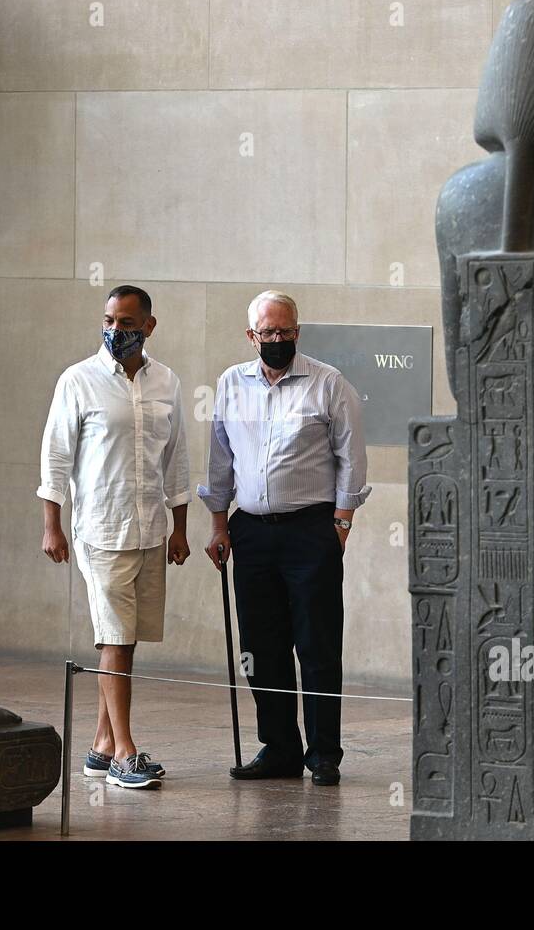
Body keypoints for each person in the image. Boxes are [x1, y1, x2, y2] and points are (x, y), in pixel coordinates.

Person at [199, 290, 370, 786]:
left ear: (298, 331)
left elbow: (351, 459)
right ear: (251, 335)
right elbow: (219, 460)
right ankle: (278, 748)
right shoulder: (231, 383)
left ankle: (323, 754)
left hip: (309, 531)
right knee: (261, 646)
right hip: (249, 531)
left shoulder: (328, 383)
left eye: (286, 332)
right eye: (268, 333)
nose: (277, 340)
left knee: (316, 645)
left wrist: (340, 525)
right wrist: (217, 524)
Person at [38, 285, 191, 789]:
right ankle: (126, 752)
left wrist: (180, 529)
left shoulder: (167, 381)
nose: (115, 331)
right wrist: (51, 524)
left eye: (126, 323)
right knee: (115, 640)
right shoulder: (78, 380)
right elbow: (57, 455)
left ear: (149, 326)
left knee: (128, 642)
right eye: (108, 320)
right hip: (100, 530)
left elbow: (177, 461)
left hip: (151, 528)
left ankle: (101, 746)